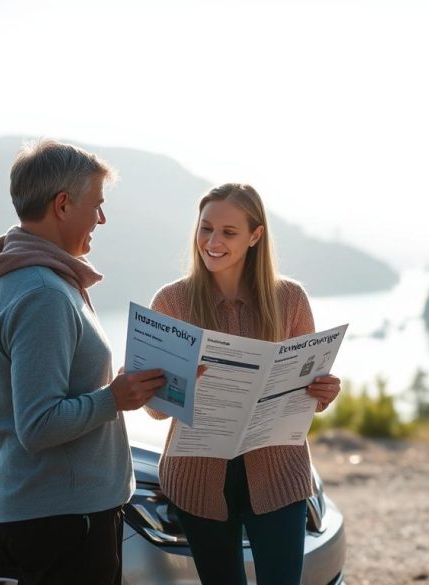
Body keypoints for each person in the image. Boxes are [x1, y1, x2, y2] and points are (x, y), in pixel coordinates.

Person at [0, 139, 166, 585]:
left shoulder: (11, 276)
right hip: (65, 519)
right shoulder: (43, 292)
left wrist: (116, 391)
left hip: (54, 514)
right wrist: (114, 399)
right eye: (97, 205)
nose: (102, 219)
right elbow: (39, 424)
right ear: (63, 205)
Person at [146, 183, 342, 585]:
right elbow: (151, 405)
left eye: (229, 232)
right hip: (197, 475)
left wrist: (323, 393)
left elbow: (306, 390)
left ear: (256, 236)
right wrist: (179, 385)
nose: (212, 242)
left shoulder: (290, 299)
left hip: (278, 473)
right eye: (206, 228)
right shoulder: (171, 302)